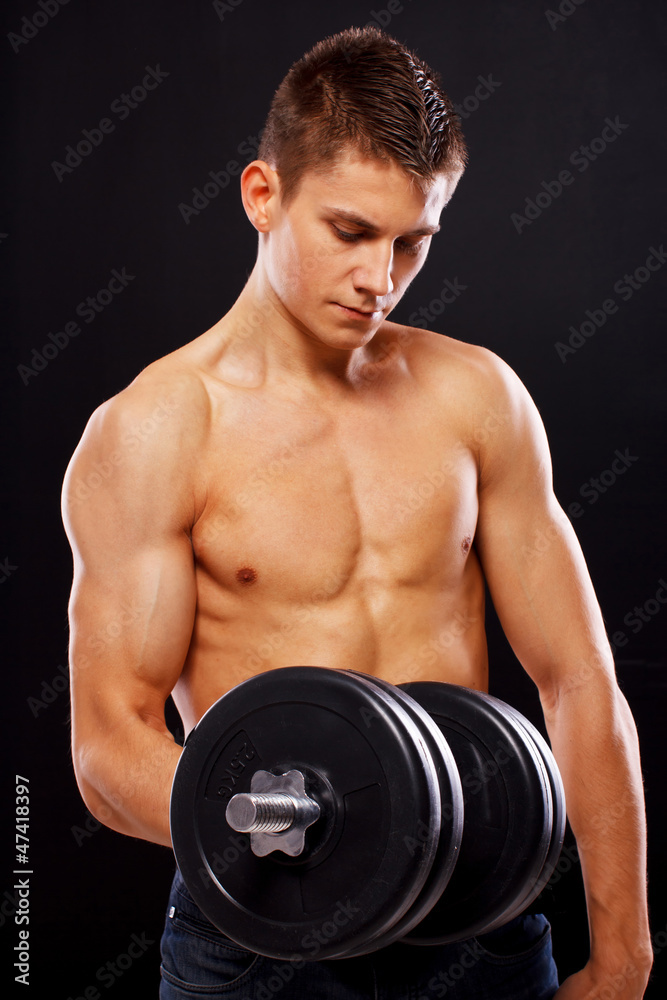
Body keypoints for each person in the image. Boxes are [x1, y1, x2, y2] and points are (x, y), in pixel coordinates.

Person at [61, 25, 651, 1000]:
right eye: (349, 232)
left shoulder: (477, 398)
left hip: (478, 920)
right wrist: (295, 819)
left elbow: (580, 683)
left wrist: (623, 952)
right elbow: (105, 743)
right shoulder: (154, 430)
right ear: (263, 195)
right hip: (263, 933)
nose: (381, 278)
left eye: (412, 242)